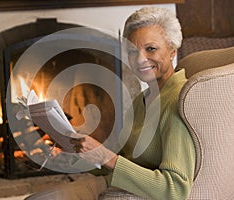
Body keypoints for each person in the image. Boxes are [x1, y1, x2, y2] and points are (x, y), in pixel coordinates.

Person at [26, 6, 196, 200]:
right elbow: (124, 161)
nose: (140, 59)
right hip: (124, 185)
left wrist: (105, 157)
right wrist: (76, 152)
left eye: (151, 49)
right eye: (132, 51)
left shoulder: (179, 100)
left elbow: (175, 189)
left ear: (173, 51)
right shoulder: (143, 99)